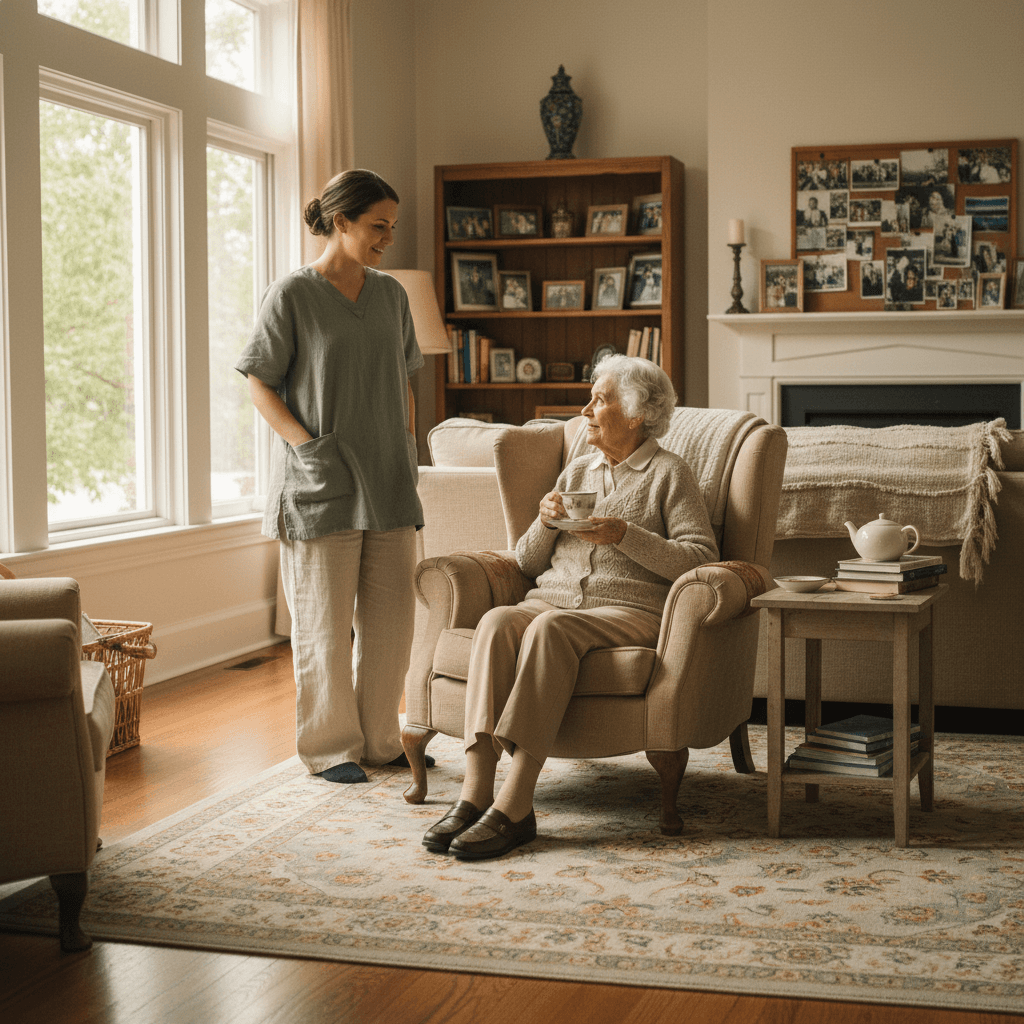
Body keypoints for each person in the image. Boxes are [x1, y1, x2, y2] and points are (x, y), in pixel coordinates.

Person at [421, 355, 718, 860]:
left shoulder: (670, 474)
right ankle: (475, 793)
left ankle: (516, 805)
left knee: (551, 630)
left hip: (627, 610)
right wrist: (543, 519)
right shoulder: (579, 467)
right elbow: (528, 561)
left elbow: (700, 558)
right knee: (496, 621)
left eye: (599, 399)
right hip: (551, 600)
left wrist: (625, 535)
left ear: (637, 413)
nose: (585, 410)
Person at [235, 169, 427, 785]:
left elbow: (404, 380)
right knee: (322, 626)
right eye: (378, 226)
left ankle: (379, 738)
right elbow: (259, 380)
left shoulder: (392, 296)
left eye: (392, 228)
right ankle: (331, 748)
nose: (387, 239)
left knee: (392, 626)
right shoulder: (292, 293)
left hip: (389, 483)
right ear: (341, 221)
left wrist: (405, 445)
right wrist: (305, 447)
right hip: (320, 485)